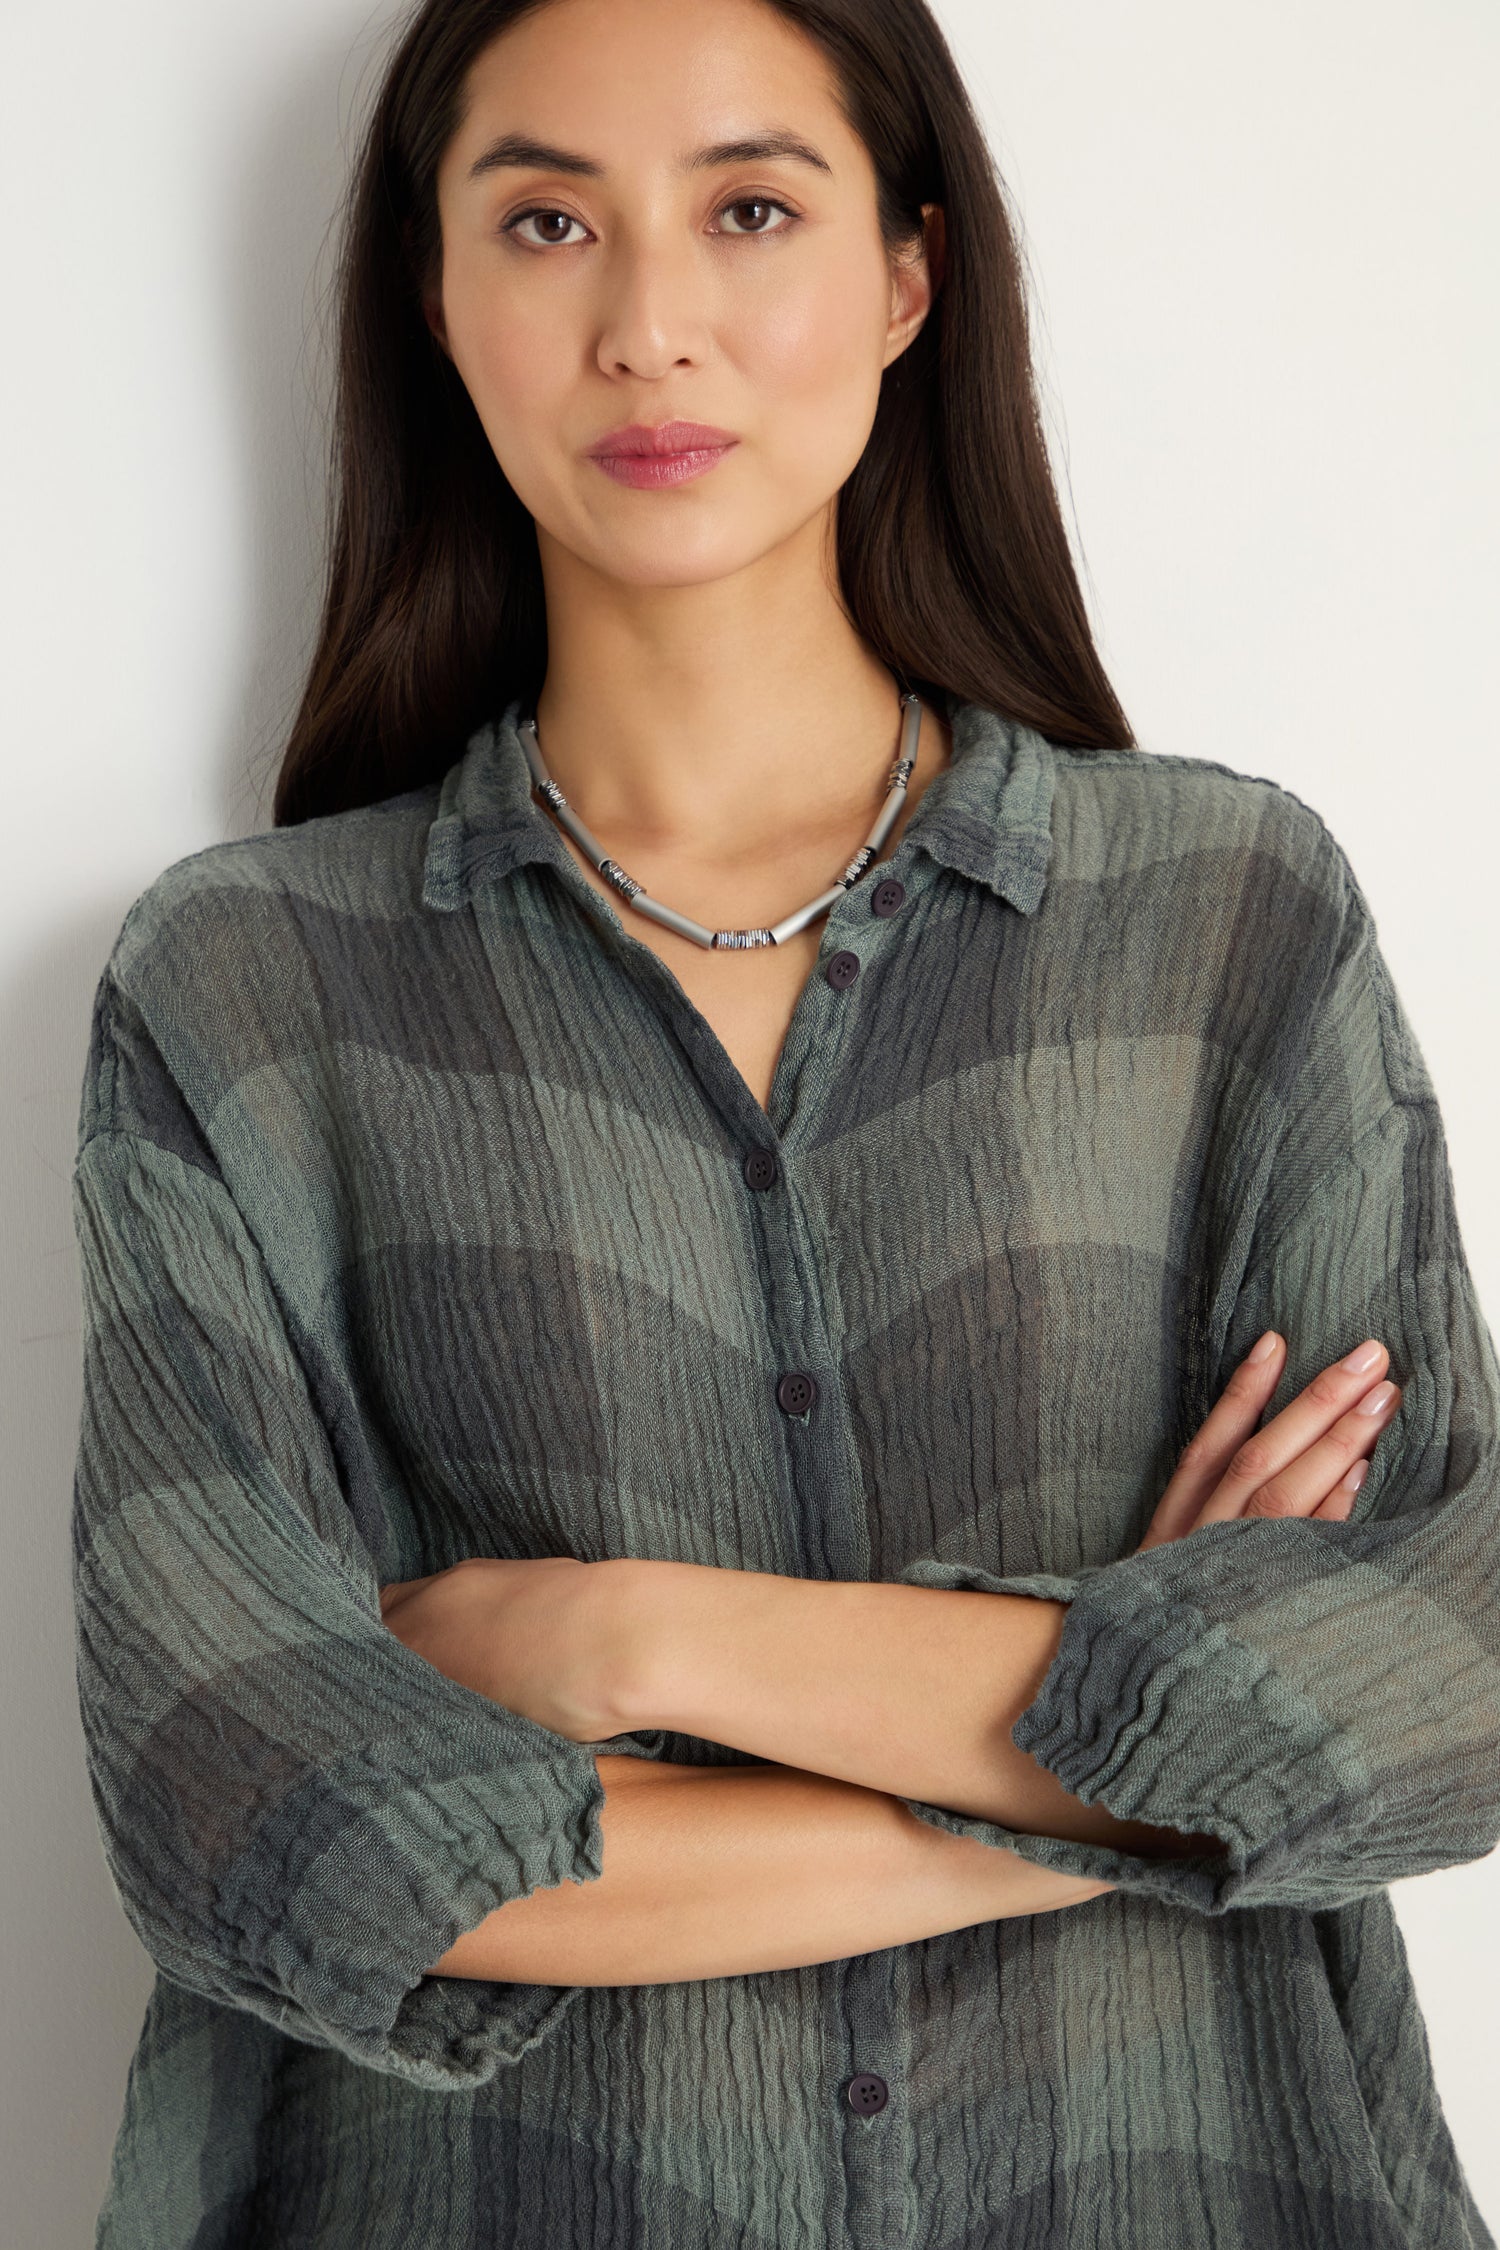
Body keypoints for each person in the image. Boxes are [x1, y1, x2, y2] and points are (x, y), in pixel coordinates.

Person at [68, 0, 1500, 2242]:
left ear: (909, 276)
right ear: (436, 298)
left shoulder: (1226, 920)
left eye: (749, 208)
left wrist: (628, 1642)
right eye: (547, 223)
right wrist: (1145, 1770)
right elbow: (276, 1823)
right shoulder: (244, 991)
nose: (650, 325)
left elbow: (1443, 1671)